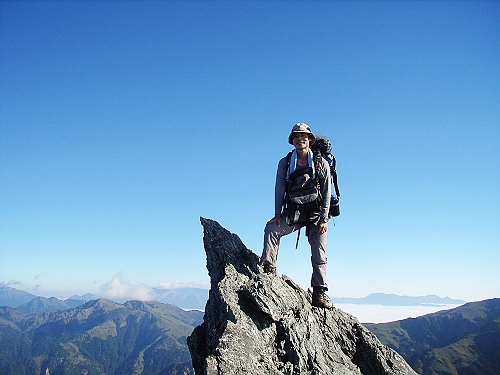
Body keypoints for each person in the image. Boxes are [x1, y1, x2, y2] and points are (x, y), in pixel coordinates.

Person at [260, 123, 333, 309]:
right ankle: (268, 270)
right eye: (296, 136)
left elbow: (326, 192)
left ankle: (319, 293)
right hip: (295, 212)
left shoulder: (320, 162)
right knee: (271, 229)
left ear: (310, 139)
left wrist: (324, 218)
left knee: (319, 253)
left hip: (317, 214)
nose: (300, 139)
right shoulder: (285, 163)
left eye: (304, 136)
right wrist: (277, 214)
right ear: (292, 140)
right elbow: (279, 188)